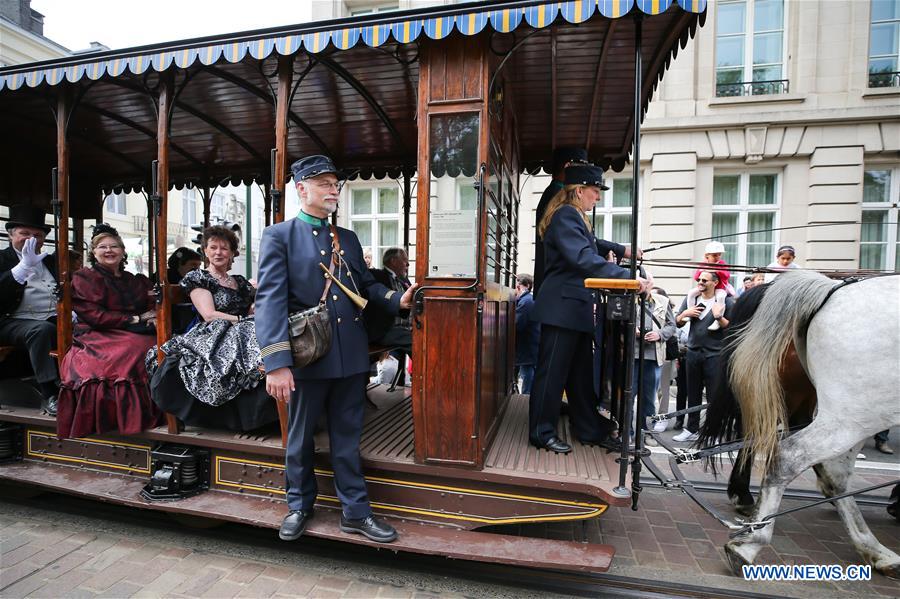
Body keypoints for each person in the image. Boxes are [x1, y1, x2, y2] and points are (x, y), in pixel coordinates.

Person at [256, 155, 417, 545]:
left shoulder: (346, 238)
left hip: (348, 356)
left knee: (348, 439)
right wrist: (277, 364)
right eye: (325, 184)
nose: (334, 190)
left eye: (335, 184)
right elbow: (270, 303)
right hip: (308, 357)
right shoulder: (279, 236)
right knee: (300, 439)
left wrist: (398, 299)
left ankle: (356, 513)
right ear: (301, 189)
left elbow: (366, 288)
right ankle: (299, 506)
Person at [528, 163, 650, 454]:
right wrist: (628, 278)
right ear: (579, 190)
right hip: (563, 308)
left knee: (580, 376)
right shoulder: (566, 215)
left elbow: (593, 244)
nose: (598, 198)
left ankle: (589, 428)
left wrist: (622, 251)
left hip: (573, 307)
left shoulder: (573, 216)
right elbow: (583, 256)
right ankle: (541, 432)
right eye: (595, 192)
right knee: (552, 374)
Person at [147, 226, 277, 431]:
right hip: (212, 332)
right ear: (205, 251)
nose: (218, 252)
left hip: (241, 327)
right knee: (249, 334)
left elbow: (251, 308)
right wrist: (242, 318)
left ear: (233, 252)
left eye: (224, 248)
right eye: (213, 247)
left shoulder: (239, 282)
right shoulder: (199, 278)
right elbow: (209, 314)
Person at [57, 224, 162, 439]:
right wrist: (134, 318)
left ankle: (159, 407)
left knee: (160, 342)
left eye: (114, 246)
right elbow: (94, 315)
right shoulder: (84, 278)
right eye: (102, 247)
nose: (109, 251)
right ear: (93, 253)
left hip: (130, 330)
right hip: (96, 333)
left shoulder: (133, 279)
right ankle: (121, 416)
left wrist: (153, 313)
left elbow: (150, 300)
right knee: (134, 348)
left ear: (123, 251)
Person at [0, 205, 59, 415]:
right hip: (11, 320)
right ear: (10, 235)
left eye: (37, 235)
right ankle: (50, 392)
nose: (31, 239)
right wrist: (22, 267)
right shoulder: (2, 259)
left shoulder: (51, 261)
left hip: (53, 317)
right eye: (24, 233)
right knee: (41, 330)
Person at [673, 270, 734, 443]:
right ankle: (691, 428)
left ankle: (713, 431)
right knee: (692, 393)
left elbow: (731, 328)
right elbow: (677, 322)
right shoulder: (692, 299)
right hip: (693, 353)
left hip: (715, 354)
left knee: (714, 395)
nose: (700, 282)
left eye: (704, 280)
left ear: (715, 282)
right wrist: (685, 314)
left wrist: (719, 317)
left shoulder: (726, 301)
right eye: (699, 279)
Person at [632, 284, 675, 446]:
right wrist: (631, 329)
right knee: (629, 397)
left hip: (653, 357)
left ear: (649, 284)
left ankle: (646, 432)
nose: (640, 285)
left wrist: (659, 334)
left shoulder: (663, 301)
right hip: (631, 355)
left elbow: (671, 325)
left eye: (644, 282)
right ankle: (627, 433)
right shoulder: (628, 298)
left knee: (648, 398)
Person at [685, 241, 731, 331]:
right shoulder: (703, 264)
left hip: (719, 287)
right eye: (714, 255)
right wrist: (703, 270)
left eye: (719, 255)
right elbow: (696, 277)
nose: (717, 257)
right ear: (707, 256)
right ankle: (691, 312)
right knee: (691, 293)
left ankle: (717, 320)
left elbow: (727, 275)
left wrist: (716, 270)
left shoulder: (721, 264)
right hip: (705, 287)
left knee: (721, 297)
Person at [514, 273, 539, 395]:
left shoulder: (526, 302)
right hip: (530, 344)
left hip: (528, 345)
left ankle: (526, 399)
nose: (515, 288)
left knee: (527, 375)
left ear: (526, 286)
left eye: (518, 284)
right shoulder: (528, 299)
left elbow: (518, 324)